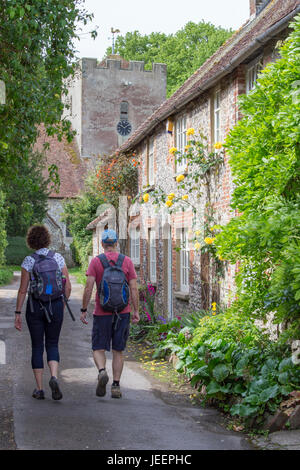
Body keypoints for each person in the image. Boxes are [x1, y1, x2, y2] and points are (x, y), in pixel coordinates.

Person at [80, 229, 140, 399]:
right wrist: (136, 311)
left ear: (102, 244)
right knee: (118, 350)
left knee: (98, 347)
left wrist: (84, 309)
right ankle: (116, 385)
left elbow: (89, 287)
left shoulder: (96, 262)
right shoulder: (126, 262)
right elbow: (134, 288)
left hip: (102, 312)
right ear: (116, 244)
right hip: (123, 312)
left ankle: (101, 371)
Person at [15, 225, 71, 400]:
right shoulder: (58, 258)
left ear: (31, 241)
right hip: (55, 305)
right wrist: (62, 303)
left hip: (35, 307)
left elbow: (23, 290)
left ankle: (39, 389)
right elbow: (67, 285)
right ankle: (54, 377)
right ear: (47, 239)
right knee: (53, 344)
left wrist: (17, 313)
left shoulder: (29, 261)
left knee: (37, 346)